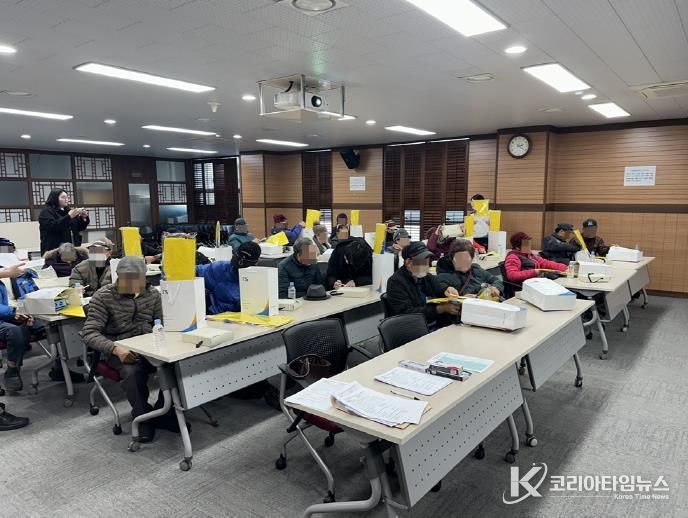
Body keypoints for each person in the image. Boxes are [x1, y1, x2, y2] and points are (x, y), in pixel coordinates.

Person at [80, 257, 163, 443]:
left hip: (149, 346)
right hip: (119, 348)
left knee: (175, 365)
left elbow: (161, 322)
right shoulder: (103, 296)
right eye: (127, 279)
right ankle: (142, 416)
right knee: (132, 372)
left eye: (137, 279)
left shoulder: (152, 293)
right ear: (118, 276)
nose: (133, 285)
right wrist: (116, 349)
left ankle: (165, 410)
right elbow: (89, 333)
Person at [386, 242, 460, 327]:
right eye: (422, 262)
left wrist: (446, 290)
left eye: (427, 261)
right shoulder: (395, 283)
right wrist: (440, 309)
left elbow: (439, 287)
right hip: (412, 328)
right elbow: (407, 313)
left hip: (434, 324)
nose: (427, 266)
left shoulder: (426, 276)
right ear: (409, 262)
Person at [1, 261, 43, 393]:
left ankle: (60, 368)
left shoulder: (21, 276)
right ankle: (12, 369)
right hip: (4, 317)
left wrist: (29, 311)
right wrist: (14, 312)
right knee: (15, 331)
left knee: (51, 326)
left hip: (17, 313)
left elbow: (31, 294)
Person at [195, 242, 261, 314]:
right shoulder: (220, 269)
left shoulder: (261, 279)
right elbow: (195, 271)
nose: (240, 263)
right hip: (217, 317)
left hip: (248, 317)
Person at [437, 239, 503, 297]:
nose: (463, 262)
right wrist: (446, 289)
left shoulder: (476, 270)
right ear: (452, 260)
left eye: (466, 259)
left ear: (472, 258)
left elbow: (496, 280)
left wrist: (496, 288)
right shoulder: (445, 275)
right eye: (459, 259)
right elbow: (438, 286)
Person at [503, 232, 567, 286]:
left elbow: (545, 263)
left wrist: (565, 268)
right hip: (526, 287)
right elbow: (512, 275)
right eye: (526, 245)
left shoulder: (529, 255)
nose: (529, 247)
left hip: (536, 283)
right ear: (517, 247)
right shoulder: (513, 257)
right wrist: (535, 272)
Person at [38, 189, 89, 255]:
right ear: (54, 198)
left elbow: (79, 228)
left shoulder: (68, 211)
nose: (66, 199)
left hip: (72, 248)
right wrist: (68, 217)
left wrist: (83, 218)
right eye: (63, 197)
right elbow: (53, 226)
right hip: (54, 250)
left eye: (67, 197)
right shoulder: (46, 212)